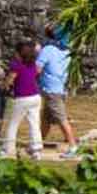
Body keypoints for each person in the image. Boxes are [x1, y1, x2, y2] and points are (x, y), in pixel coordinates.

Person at [36, 29, 78, 158]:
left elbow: (37, 69)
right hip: (59, 89)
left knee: (61, 118)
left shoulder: (48, 49)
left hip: (51, 90)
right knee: (46, 119)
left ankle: (73, 146)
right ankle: (37, 144)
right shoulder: (68, 51)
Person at [0, 40, 43, 159]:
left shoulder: (16, 65)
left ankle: (8, 149)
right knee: (34, 123)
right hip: (35, 97)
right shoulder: (33, 64)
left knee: (13, 124)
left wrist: (4, 86)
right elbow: (38, 72)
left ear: (19, 53)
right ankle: (36, 150)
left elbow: (11, 79)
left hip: (22, 98)